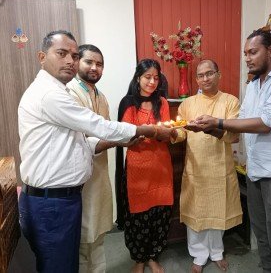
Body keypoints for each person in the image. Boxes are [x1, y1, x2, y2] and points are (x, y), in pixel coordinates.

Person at [17, 30, 172, 273]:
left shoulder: (84, 93)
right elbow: (98, 127)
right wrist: (149, 131)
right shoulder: (52, 94)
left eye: (74, 55)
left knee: (75, 257)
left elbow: (83, 140)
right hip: (51, 200)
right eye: (62, 53)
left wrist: (121, 140)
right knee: (62, 263)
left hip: (66, 194)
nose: (70, 60)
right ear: (42, 57)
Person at [192, 29, 271, 273]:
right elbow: (242, 124)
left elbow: (266, 122)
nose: (247, 58)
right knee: (263, 237)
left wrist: (218, 122)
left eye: (253, 52)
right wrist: (208, 129)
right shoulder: (254, 85)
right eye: (245, 53)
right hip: (256, 172)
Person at [170, 59, 243, 273]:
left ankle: (217, 252)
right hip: (196, 167)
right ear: (196, 79)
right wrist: (173, 133)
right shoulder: (188, 104)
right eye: (201, 75)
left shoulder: (230, 101)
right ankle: (198, 255)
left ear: (218, 75)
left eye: (209, 73)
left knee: (218, 210)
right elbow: (181, 131)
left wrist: (211, 128)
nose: (205, 79)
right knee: (197, 212)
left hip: (220, 168)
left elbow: (234, 135)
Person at [115, 59, 174, 273]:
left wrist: (167, 133)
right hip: (137, 169)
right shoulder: (128, 102)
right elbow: (125, 135)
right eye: (147, 77)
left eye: (156, 78)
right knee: (138, 216)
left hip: (160, 167)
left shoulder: (163, 103)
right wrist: (147, 132)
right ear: (138, 78)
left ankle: (152, 257)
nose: (152, 82)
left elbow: (166, 133)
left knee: (160, 213)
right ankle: (139, 259)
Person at [67, 44, 112, 272]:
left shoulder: (100, 96)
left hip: (100, 172)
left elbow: (108, 129)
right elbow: (83, 140)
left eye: (100, 64)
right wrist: (123, 139)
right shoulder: (70, 92)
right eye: (89, 62)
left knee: (98, 235)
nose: (95, 68)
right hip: (80, 176)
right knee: (83, 239)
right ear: (77, 63)